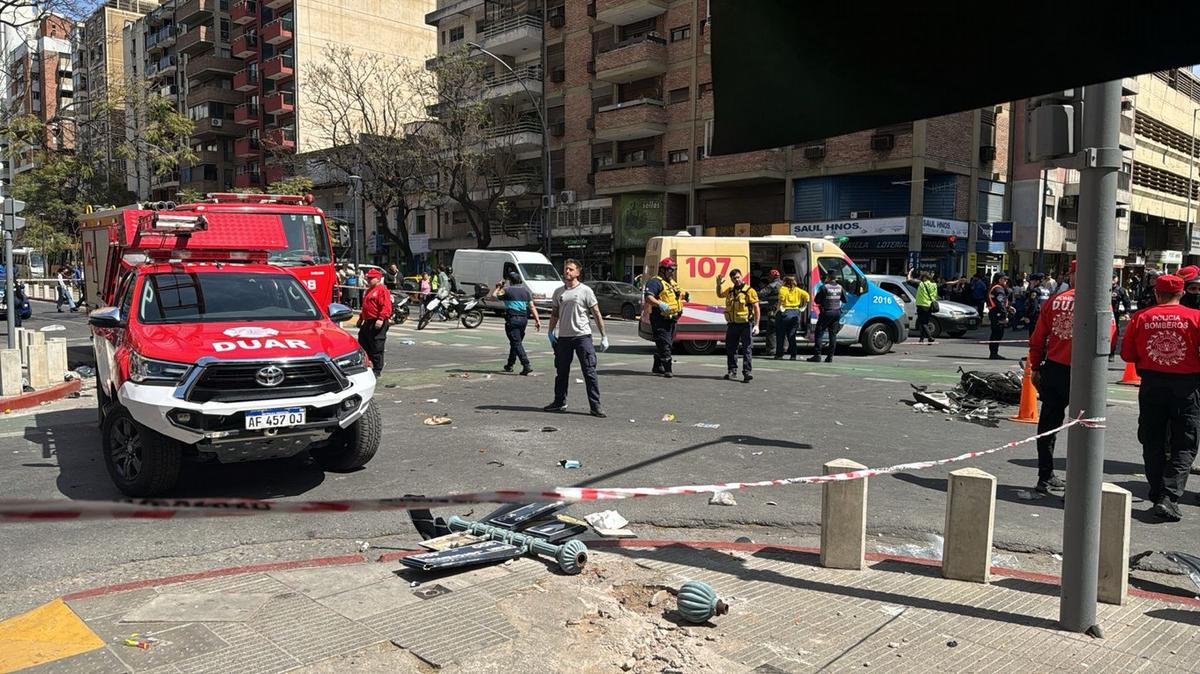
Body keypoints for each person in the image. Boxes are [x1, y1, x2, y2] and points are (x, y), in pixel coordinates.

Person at [1028, 262, 1115, 494]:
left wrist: (1035, 367)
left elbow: (1037, 339)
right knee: (1084, 428)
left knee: (1048, 425)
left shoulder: (1055, 301)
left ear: (1071, 275)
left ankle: (1044, 477)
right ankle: (1078, 486)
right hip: (1086, 372)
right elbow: (1109, 338)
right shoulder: (1100, 302)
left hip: (1056, 369)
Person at [1120, 274, 1200, 522]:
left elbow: (1127, 354)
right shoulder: (1195, 317)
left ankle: (1157, 491)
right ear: (1182, 293)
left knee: (1152, 439)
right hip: (1186, 386)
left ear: (1157, 293)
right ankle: (1168, 496)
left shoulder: (1142, 317)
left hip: (1152, 384)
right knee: (1185, 442)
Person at [545, 259, 609, 417]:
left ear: (578, 272)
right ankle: (559, 402)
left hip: (582, 337)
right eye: (566, 269)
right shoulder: (559, 292)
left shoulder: (585, 291)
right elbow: (554, 313)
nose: (567, 272)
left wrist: (603, 336)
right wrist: (550, 331)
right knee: (561, 372)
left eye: (571, 269)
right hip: (564, 338)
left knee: (589, 372)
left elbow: (596, 313)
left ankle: (595, 406)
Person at [643, 257, 687, 378]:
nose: (672, 272)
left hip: (672, 319)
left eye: (673, 269)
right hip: (660, 318)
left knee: (666, 343)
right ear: (662, 270)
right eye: (670, 270)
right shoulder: (655, 282)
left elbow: (677, 295)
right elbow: (648, 297)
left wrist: (685, 296)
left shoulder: (671, 283)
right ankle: (668, 369)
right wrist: (660, 304)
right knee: (665, 344)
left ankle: (657, 366)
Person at [491, 271, 540, 375]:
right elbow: (532, 307)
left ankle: (526, 364)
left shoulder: (506, 290)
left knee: (516, 343)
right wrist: (537, 320)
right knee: (515, 343)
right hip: (524, 320)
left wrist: (498, 287)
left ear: (510, 281)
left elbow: (494, 296)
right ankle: (510, 364)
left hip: (512, 319)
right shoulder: (526, 292)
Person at [717, 268, 759, 381]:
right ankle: (732, 371)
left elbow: (756, 307)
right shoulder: (730, 291)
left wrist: (757, 325)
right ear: (731, 279)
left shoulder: (749, 291)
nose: (737, 280)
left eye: (738, 277)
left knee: (747, 349)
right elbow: (720, 294)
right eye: (734, 278)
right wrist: (718, 284)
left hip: (746, 324)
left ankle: (747, 372)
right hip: (732, 324)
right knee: (731, 348)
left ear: (741, 276)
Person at [357, 268, 393, 377]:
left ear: (377, 279)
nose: (368, 280)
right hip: (367, 321)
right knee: (363, 342)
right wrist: (361, 319)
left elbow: (386, 306)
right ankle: (368, 363)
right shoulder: (369, 290)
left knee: (377, 345)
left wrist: (381, 318)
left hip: (377, 321)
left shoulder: (382, 290)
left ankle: (377, 369)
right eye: (368, 278)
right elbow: (365, 307)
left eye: (371, 278)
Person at [809, 271, 847, 363]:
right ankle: (830, 357)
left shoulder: (824, 287)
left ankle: (817, 355)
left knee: (819, 333)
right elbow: (844, 299)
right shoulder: (840, 287)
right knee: (833, 335)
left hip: (827, 312)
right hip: (837, 312)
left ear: (828, 277)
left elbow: (817, 300)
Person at [773, 274, 809, 359]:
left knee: (780, 335)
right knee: (792, 335)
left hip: (784, 312)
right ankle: (793, 355)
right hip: (795, 313)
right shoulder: (798, 290)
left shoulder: (782, 289)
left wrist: (777, 311)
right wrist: (803, 307)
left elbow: (781, 300)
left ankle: (779, 354)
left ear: (784, 281)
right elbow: (807, 296)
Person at [986, 272, 1015, 360]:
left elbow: (1000, 303)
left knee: (997, 333)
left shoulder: (995, 288)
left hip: (995, 312)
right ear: (999, 280)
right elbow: (1000, 303)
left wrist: (1008, 307)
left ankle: (994, 352)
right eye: (1004, 279)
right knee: (997, 333)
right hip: (997, 313)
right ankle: (994, 353)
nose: (1006, 281)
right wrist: (1004, 315)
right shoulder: (998, 289)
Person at [910, 269, 938, 344]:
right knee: (925, 321)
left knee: (922, 323)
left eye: (922, 277)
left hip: (921, 304)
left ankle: (930, 337)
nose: (921, 278)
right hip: (930, 305)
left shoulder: (921, 284)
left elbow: (909, 280)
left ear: (924, 277)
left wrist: (910, 272)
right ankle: (921, 338)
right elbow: (935, 295)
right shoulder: (934, 284)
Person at [759, 269, 783, 356]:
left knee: (771, 331)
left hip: (774, 311)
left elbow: (761, 294)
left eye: (769, 277)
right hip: (783, 310)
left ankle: (771, 350)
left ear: (771, 277)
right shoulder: (785, 284)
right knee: (782, 330)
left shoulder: (772, 285)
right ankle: (784, 348)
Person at [1110, 274, 1133, 362]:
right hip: (1104, 314)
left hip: (1114, 315)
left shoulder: (1121, 290)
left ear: (1117, 279)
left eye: (1114, 278)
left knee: (1114, 333)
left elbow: (1127, 302)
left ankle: (1111, 353)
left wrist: (1127, 313)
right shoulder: (1103, 288)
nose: (1112, 280)